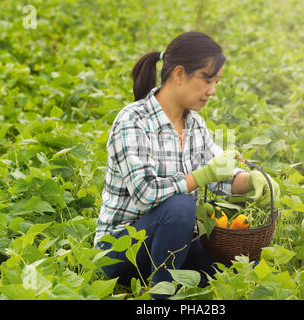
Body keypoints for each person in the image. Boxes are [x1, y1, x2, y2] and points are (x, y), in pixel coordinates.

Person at [94, 31, 280, 298]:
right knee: (180, 205)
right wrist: (201, 175)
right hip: (121, 251)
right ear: (179, 74)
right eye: (207, 79)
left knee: (240, 262)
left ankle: (169, 279)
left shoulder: (194, 124)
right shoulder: (133, 120)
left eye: (216, 81)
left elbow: (221, 175)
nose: (212, 90)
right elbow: (146, 194)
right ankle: (160, 298)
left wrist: (252, 179)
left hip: (171, 242)